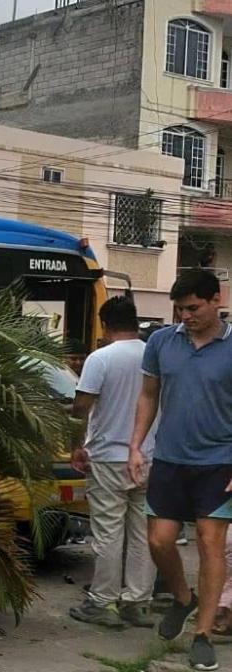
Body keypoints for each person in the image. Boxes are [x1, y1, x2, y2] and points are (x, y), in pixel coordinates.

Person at [129, 270, 232, 672]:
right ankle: (183, 598)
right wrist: (135, 445)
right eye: (180, 310)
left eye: (193, 308)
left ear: (215, 300)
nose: (186, 316)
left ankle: (203, 634)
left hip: (219, 462)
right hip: (170, 458)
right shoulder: (160, 342)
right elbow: (148, 395)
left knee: (209, 542)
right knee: (159, 541)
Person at [68, 296, 157, 629]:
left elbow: (81, 409)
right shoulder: (154, 352)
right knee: (142, 532)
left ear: (105, 326)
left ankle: (103, 602)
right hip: (148, 457)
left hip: (108, 456)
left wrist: (77, 446)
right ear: (135, 322)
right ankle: (137, 601)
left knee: (108, 531)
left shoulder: (100, 358)